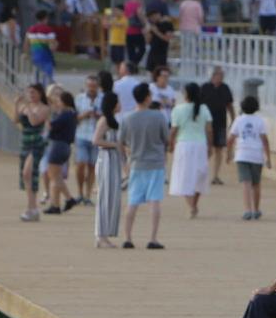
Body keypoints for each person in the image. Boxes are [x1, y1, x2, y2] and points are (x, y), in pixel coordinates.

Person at [120, 81, 169, 250]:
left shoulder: (127, 118)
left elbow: (121, 141)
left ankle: (128, 237)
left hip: (136, 163)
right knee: (154, 201)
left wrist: (125, 160)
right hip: (155, 163)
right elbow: (166, 138)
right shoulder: (158, 116)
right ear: (148, 97)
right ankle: (153, 238)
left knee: (132, 202)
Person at [169, 82, 213, 217]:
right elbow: (209, 130)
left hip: (184, 145)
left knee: (183, 177)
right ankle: (194, 205)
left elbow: (174, 130)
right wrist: (210, 147)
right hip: (200, 145)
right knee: (200, 176)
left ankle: (191, 206)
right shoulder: (204, 108)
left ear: (186, 94)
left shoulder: (178, 109)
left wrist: (170, 144)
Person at [230, 94, 272, 221]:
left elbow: (231, 138)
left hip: (242, 154)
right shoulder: (260, 121)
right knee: (256, 183)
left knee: (245, 183)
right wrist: (268, 157)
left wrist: (228, 154)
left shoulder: (239, 120)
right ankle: (256, 209)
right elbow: (265, 140)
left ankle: (247, 209)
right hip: (256, 155)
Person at [12, 83, 49, 222]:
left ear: (40, 93)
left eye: (33, 92)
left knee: (29, 173)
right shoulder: (24, 107)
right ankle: (31, 207)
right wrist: (17, 105)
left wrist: (27, 106)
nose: (31, 95)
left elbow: (34, 122)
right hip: (25, 142)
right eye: (29, 93)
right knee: (25, 175)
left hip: (36, 143)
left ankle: (32, 208)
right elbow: (15, 120)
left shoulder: (44, 108)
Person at [91, 90, 123, 247]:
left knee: (112, 197)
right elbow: (96, 140)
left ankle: (104, 234)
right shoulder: (104, 120)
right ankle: (100, 235)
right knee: (104, 197)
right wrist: (115, 145)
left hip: (113, 160)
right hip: (106, 159)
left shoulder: (113, 120)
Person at [41, 86, 78, 215]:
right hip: (65, 146)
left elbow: (52, 126)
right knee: (56, 176)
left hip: (58, 145)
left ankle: (67, 199)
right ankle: (56, 203)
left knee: (54, 176)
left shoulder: (66, 114)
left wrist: (46, 119)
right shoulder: (72, 113)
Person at [201, 66, 236, 185]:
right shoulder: (205, 88)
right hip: (206, 124)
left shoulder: (225, 88)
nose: (220, 77)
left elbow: (229, 105)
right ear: (212, 76)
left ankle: (215, 175)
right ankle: (201, 174)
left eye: (221, 75)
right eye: (218, 75)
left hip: (220, 122)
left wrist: (233, 119)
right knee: (206, 149)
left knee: (219, 149)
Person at [73, 73, 102, 205]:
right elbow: (73, 118)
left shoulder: (102, 99)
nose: (91, 88)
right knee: (81, 164)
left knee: (92, 166)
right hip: (81, 135)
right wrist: (84, 115)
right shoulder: (79, 98)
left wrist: (98, 115)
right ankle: (79, 192)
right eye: (89, 86)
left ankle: (87, 195)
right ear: (86, 86)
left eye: (94, 86)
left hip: (96, 136)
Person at [27, 7, 58, 86]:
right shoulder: (48, 30)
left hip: (35, 58)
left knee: (36, 81)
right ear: (45, 18)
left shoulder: (30, 29)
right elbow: (52, 48)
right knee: (47, 81)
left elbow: (27, 44)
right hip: (46, 58)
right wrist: (56, 44)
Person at [147, 1, 178, 75]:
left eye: (153, 16)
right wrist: (147, 33)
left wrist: (156, 32)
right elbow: (148, 41)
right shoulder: (153, 25)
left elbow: (167, 38)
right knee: (152, 71)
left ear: (158, 14)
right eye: (150, 17)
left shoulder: (167, 24)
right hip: (153, 51)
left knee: (160, 71)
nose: (152, 18)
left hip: (161, 52)